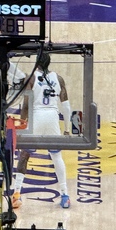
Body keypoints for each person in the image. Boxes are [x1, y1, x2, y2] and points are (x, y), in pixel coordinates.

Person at [12, 52, 73, 209]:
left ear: (37, 62)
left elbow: (26, 105)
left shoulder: (31, 78)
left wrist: (21, 125)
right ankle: (65, 195)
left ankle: (17, 193)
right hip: (52, 117)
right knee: (57, 157)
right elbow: (66, 107)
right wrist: (67, 129)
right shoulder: (58, 78)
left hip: (37, 117)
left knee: (24, 155)